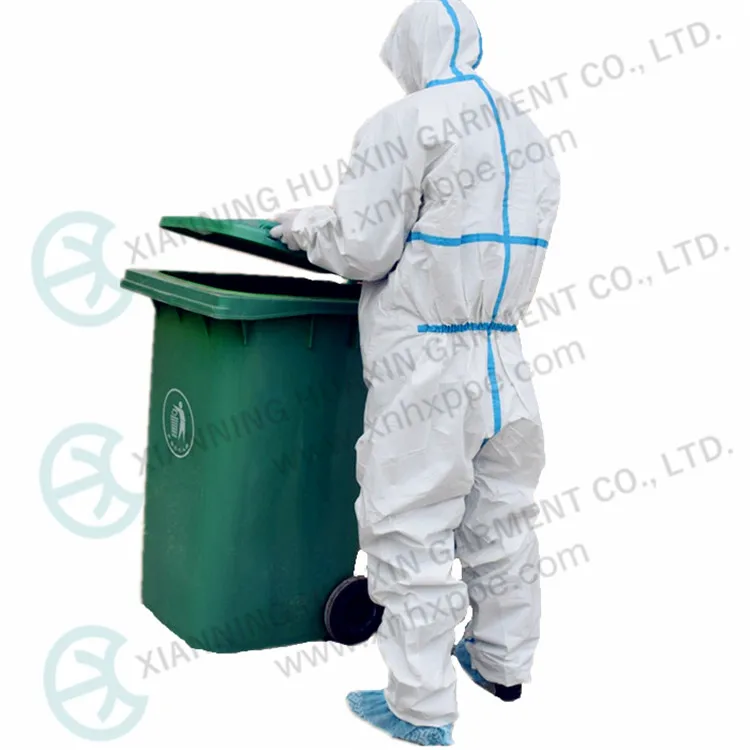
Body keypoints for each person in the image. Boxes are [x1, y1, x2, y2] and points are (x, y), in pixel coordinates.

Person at [270, 0, 561, 745]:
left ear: (410, 49)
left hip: (427, 359)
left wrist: (304, 226)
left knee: (409, 524)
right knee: (501, 519)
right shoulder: (528, 131)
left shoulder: (405, 122)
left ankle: (419, 708)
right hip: (504, 353)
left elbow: (362, 248)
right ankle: (501, 662)